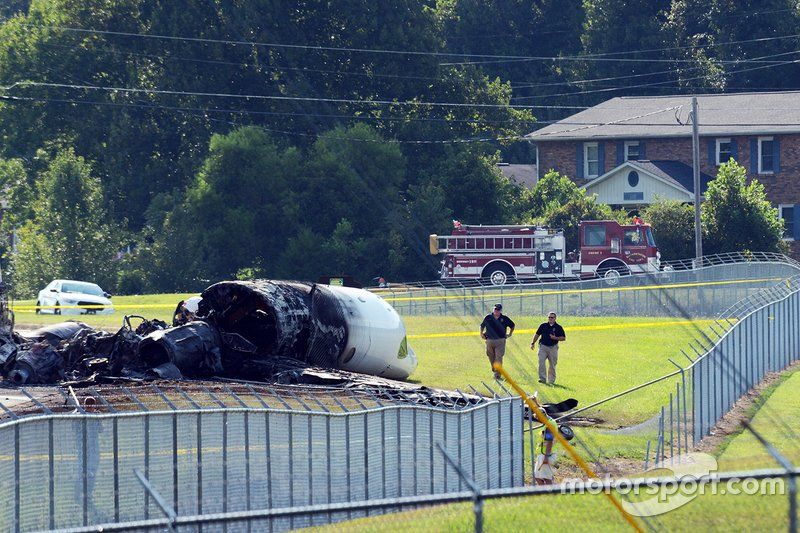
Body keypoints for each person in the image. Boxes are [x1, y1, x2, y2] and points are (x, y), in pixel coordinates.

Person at [480, 303, 515, 380]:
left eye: (498, 310)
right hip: (489, 340)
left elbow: (512, 325)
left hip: (500, 340)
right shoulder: (488, 317)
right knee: (490, 356)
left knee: (498, 357)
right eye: (495, 309)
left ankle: (497, 374)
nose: (496, 311)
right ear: (493, 309)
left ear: (500, 311)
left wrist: (510, 334)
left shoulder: (504, 318)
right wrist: (481, 333)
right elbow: (482, 326)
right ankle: (494, 369)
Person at [530, 311, 566, 384]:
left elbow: (563, 338)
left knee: (552, 364)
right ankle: (542, 379)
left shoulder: (558, 327)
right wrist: (532, 343)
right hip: (543, 346)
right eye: (549, 317)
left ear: (555, 318)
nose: (550, 318)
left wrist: (555, 338)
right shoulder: (543, 325)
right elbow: (537, 334)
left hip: (553, 348)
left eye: (552, 317)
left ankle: (551, 381)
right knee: (541, 362)